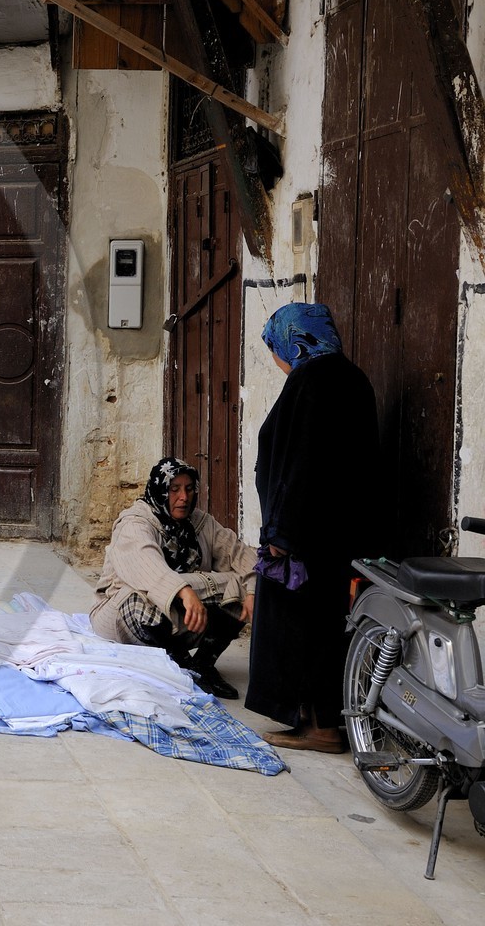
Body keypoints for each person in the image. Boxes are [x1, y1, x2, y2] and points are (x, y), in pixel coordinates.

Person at [249, 302, 378, 753]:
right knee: (325, 627)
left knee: (299, 629)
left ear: (293, 339)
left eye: (275, 348)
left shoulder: (310, 382)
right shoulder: (353, 379)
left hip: (306, 538)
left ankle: (320, 727)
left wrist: (281, 535)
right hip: (341, 534)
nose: (276, 359)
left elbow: (298, 466)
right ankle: (321, 721)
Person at [91, 457, 253, 698]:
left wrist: (251, 590)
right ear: (159, 490)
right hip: (121, 617)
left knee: (241, 587)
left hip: (179, 619)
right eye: (174, 489)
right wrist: (185, 591)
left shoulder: (200, 523)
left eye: (189, 489)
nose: (183, 497)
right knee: (141, 596)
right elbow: (147, 566)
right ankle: (180, 664)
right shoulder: (135, 522)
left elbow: (243, 557)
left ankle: (202, 665)